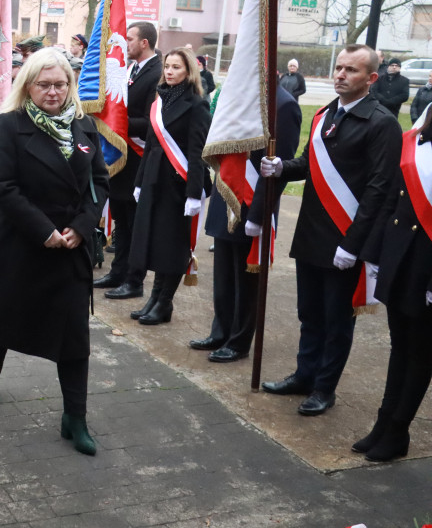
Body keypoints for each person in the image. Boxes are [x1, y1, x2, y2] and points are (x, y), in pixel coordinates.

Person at [0, 48, 109, 456]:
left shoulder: (84, 126)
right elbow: (2, 187)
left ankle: (76, 416)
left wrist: (81, 228)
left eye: (61, 84)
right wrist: (45, 231)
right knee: (3, 314)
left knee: (74, 335)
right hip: (21, 243)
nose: (53, 92)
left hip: (70, 247)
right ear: (28, 86)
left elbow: (99, 184)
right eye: (44, 84)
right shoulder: (8, 125)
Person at [260, 44, 402, 416]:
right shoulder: (325, 114)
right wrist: (281, 168)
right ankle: (303, 375)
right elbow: (309, 163)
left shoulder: (382, 123)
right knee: (309, 312)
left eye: (351, 70)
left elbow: (379, 190)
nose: (341, 75)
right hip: (311, 232)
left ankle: (324, 387)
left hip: (345, 239)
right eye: (338, 68)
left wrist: (353, 245)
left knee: (337, 320)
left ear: (371, 78)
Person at [191, 85, 301, 362]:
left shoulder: (283, 105)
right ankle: (220, 331)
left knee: (246, 279)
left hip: (254, 203)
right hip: (227, 192)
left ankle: (239, 341)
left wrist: (259, 215)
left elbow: (281, 165)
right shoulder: (238, 92)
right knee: (223, 274)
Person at [353, 108, 432, 461]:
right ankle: (384, 422)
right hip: (402, 255)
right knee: (400, 345)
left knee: (422, 352)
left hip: (428, 263)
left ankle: (399, 429)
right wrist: (374, 253)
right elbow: (391, 199)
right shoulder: (414, 140)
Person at [128, 47, 212, 325]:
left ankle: (165, 303)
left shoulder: (197, 103)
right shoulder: (158, 101)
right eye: (167, 66)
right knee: (156, 243)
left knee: (173, 246)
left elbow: (197, 151)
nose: (169, 72)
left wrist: (193, 193)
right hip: (154, 179)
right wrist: (139, 182)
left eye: (176, 67)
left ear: (189, 71)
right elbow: (151, 145)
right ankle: (154, 297)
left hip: (179, 184)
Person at [95, 22, 161, 301]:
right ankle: (118, 271)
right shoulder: (131, 69)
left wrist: (117, 123)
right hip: (122, 156)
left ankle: (135, 280)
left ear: (144, 42)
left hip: (139, 156)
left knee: (135, 222)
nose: (126, 44)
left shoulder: (157, 73)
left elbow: (151, 121)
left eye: (130, 39)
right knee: (121, 218)